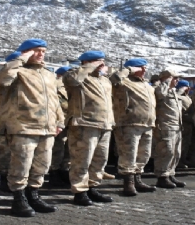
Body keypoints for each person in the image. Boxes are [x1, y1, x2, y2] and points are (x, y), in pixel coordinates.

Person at [0, 39, 64, 217]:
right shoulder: (17, 71)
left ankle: (33, 195)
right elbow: (1, 79)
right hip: (23, 126)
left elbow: (54, 101)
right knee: (21, 165)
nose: (41, 54)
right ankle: (18, 199)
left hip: (47, 128)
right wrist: (20, 59)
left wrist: (59, 121)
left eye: (43, 51)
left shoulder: (48, 75)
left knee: (42, 166)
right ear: (25, 52)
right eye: (36, 51)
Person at [62, 51, 115, 206]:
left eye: (103, 62)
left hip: (104, 124)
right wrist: (88, 67)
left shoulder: (104, 80)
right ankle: (80, 192)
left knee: (100, 160)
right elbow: (71, 80)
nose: (102, 65)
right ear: (88, 62)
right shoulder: (76, 75)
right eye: (98, 61)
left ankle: (93, 187)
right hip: (84, 124)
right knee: (81, 160)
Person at [110, 58, 157, 196]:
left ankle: (137, 179)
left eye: (145, 68)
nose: (144, 70)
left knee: (144, 154)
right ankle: (128, 183)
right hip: (128, 123)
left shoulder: (147, 86)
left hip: (147, 124)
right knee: (128, 155)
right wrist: (129, 70)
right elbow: (112, 79)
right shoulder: (123, 82)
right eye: (140, 67)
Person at [0, 51, 21, 192]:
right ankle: (4, 179)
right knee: (4, 152)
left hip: (20, 122)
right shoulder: (4, 77)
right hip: (2, 121)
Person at [153, 70, 186, 188]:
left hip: (176, 125)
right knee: (166, 151)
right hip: (165, 125)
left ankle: (170, 173)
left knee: (176, 152)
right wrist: (166, 81)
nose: (177, 81)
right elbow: (160, 94)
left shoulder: (173, 90)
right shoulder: (159, 88)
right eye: (174, 78)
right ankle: (162, 176)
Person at [48, 66, 72, 187]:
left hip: (71, 120)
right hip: (60, 120)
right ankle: (54, 173)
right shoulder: (56, 85)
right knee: (58, 148)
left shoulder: (72, 85)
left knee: (68, 148)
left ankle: (64, 171)